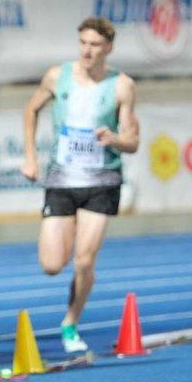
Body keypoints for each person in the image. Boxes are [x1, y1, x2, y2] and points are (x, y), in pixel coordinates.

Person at [21, 17, 139, 353]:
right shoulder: (56, 76)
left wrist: (114, 138)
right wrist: (31, 157)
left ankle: (70, 322)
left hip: (102, 181)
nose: (87, 50)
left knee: (84, 261)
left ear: (108, 48)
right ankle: (72, 257)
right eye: (83, 43)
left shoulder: (121, 86)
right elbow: (30, 110)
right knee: (51, 265)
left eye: (95, 45)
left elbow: (132, 141)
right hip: (62, 179)